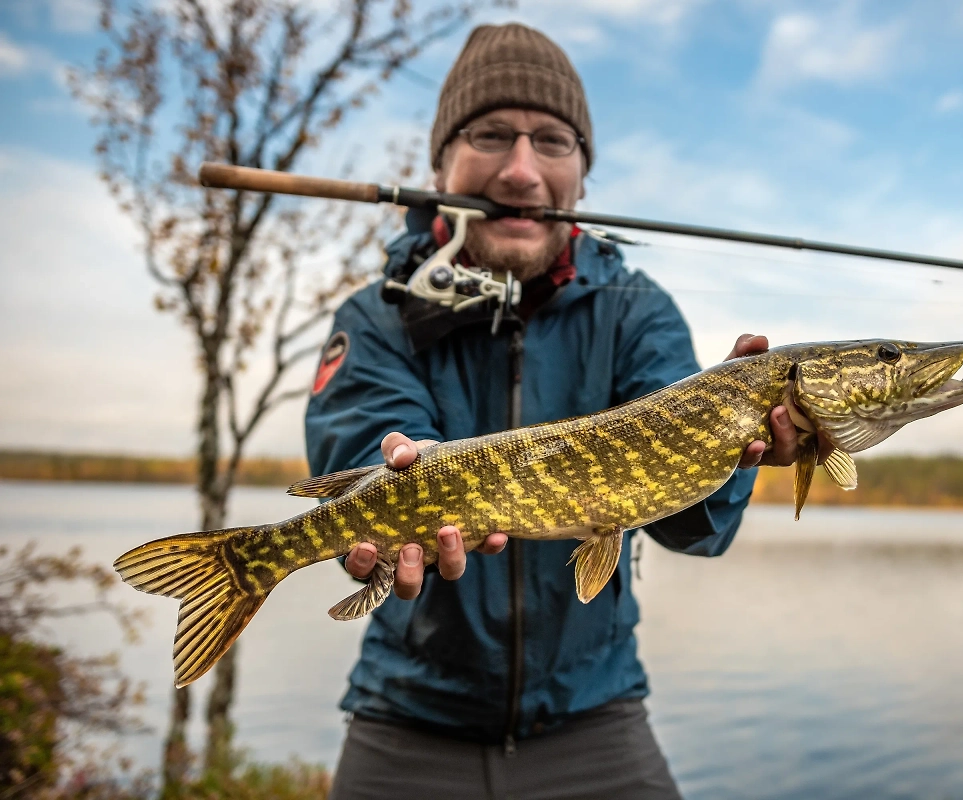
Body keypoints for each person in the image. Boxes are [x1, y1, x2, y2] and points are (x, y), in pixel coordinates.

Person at [306, 22, 801, 800]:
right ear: (441, 165)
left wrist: (737, 444)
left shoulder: (636, 311)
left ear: (581, 174)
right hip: (407, 716)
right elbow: (364, 451)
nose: (521, 170)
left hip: (593, 718)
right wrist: (395, 478)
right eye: (491, 135)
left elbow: (696, 527)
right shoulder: (378, 316)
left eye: (552, 141)